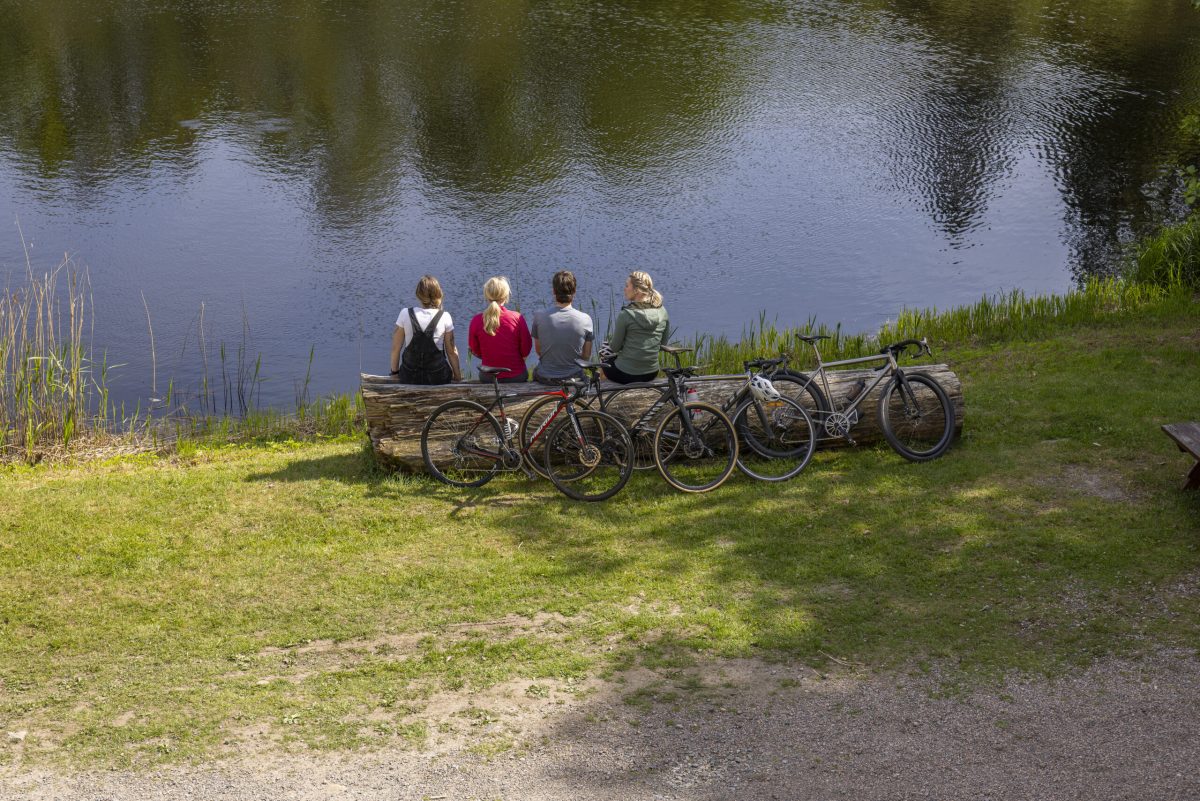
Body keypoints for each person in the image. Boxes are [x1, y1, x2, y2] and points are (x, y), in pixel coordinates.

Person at [389, 275, 462, 384]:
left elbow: (395, 348)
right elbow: (451, 351)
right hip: (438, 377)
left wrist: (394, 373)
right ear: (438, 293)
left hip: (409, 376)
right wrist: (457, 376)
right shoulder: (445, 316)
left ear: (418, 294)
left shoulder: (405, 313)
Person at [601, 270, 669, 384]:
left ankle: (604, 391)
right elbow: (663, 345)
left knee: (604, 351)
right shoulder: (663, 312)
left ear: (636, 290)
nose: (624, 289)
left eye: (627, 286)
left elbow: (615, 348)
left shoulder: (626, 314)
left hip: (624, 374)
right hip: (651, 373)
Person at [531, 270, 594, 384]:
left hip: (545, 378)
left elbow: (539, 351)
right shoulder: (586, 319)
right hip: (573, 378)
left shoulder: (539, 316)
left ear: (553, 291)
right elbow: (586, 356)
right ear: (574, 292)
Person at [468, 276, 532, 383]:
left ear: (487, 296)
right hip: (516, 376)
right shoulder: (517, 318)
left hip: (488, 377)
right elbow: (526, 349)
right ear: (506, 296)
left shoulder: (476, 320)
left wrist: (491, 356)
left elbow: (474, 349)